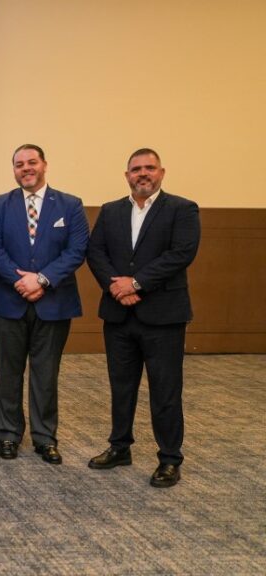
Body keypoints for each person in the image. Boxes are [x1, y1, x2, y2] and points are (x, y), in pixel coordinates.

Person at [86, 148, 200, 488]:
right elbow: (96, 252)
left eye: (150, 168)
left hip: (163, 317)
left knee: (165, 390)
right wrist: (116, 287)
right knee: (121, 386)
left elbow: (181, 253)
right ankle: (120, 447)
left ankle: (169, 458)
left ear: (161, 172)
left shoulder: (182, 209)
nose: (143, 174)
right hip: (119, 316)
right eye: (136, 169)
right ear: (127, 176)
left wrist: (135, 283)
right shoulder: (111, 211)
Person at [0, 144, 88, 464]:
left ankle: (45, 438)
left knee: (46, 373)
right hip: (9, 301)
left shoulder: (70, 205)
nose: (26, 168)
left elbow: (76, 250)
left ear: (44, 165)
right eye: (19, 164)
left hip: (54, 302)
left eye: (32, 162)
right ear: (14, 170)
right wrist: (21, 281)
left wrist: (42, 279)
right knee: (8, 372)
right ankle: (8, 434)